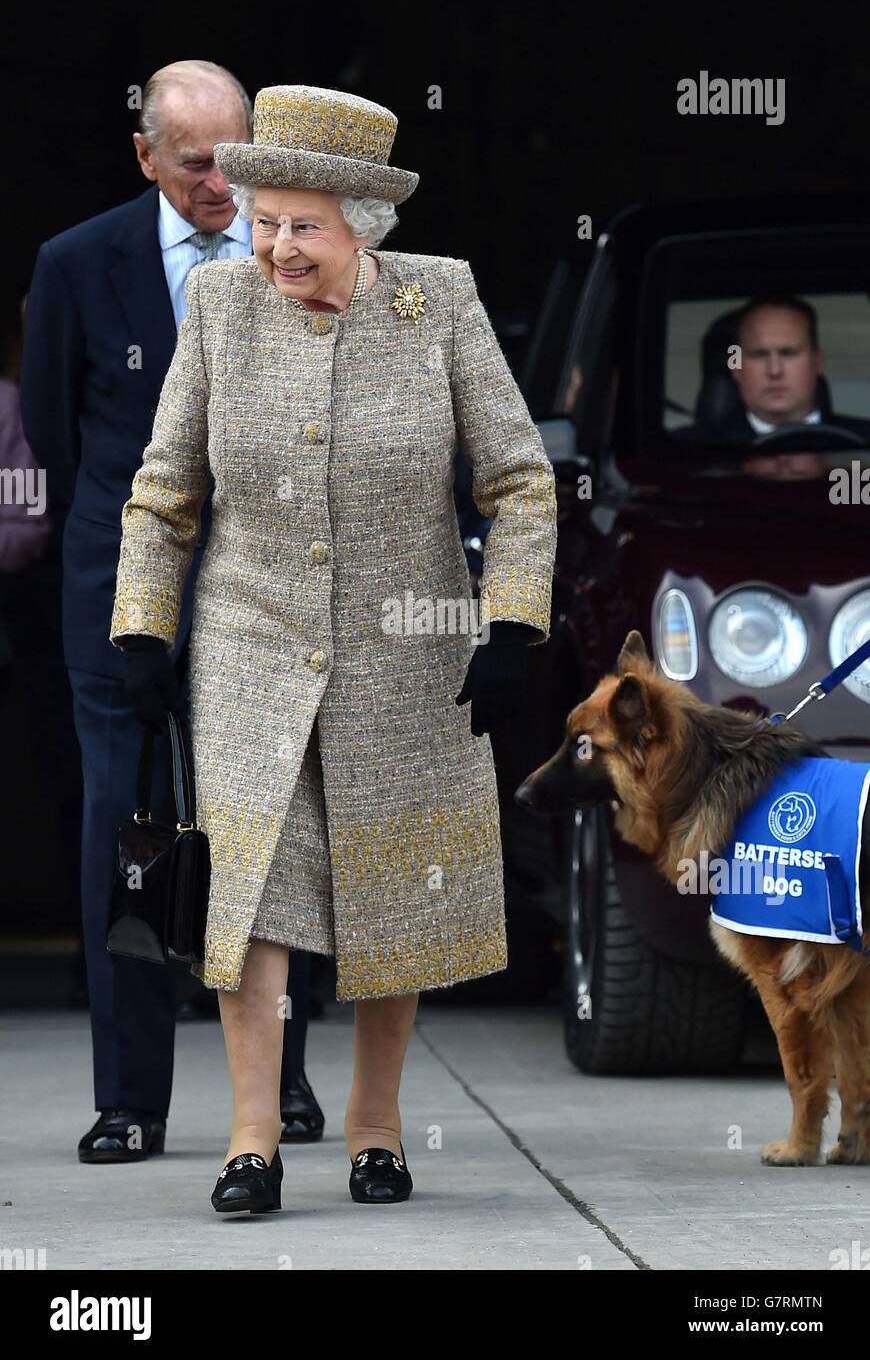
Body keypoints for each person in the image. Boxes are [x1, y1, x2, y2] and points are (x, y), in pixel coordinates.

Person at [109, 83, 557, 1212]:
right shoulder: (219, 306)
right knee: (248, 896)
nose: (276, 246)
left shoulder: (440, 302)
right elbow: (163, 496)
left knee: (391, 892)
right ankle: (251, 1138)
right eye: (264, 219)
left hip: (410, 654)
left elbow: (517, 477)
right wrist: (143, 630)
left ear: (366, 221)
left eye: (304, 225)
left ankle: (375, 1124)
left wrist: (512, 621)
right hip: (250, 650)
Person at [20, 60, 324, 1166]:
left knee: (276, 846)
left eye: (235, 155)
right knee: (131, 846)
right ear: (144, 154)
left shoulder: (293, 246)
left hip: (269, 599)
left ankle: (283, 1083)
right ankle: (131, 1101)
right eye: (195, 161)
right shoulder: (75, 265)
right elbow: (56, 438)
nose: (220, 182)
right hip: (120, 606)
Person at [685, 296, 870, 445]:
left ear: (817, 363)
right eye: (759, 355)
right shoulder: (689, 452)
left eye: (788, 353)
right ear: (737, 368)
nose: (775, 371)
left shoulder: (865, 441)